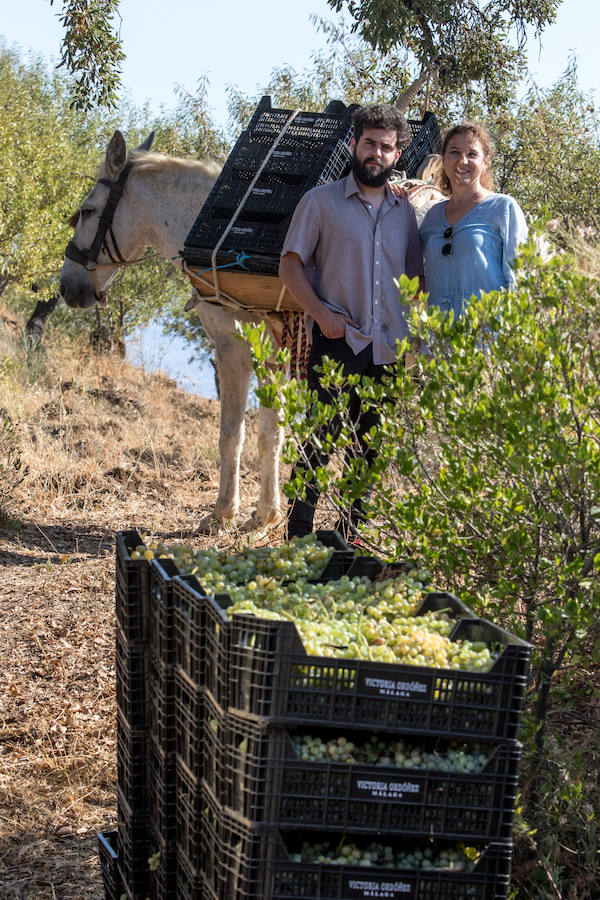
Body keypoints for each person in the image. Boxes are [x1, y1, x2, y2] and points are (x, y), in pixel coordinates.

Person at [278, 103, 424, 539]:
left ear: (397, 156)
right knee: (318, 443)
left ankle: (348, 539)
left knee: (370, 451)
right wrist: (322, 316)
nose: (376, 153)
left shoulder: (405, 213)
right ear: (355, 145)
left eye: (386, 147)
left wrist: (417, 336)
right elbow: (290, 266)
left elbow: (414, 278)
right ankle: (298, 536)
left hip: (388, 349)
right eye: (369, 144)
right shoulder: (320, 203)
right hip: (338, 341)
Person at [419, 122, 528, 320]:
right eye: (454, 152)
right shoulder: (431, 217)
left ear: (485, 161)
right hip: (439, 339)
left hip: (486, 338)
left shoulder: (503, 208)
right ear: (443, 160)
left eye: (472, 154)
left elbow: (519, 280)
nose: (462, 161)